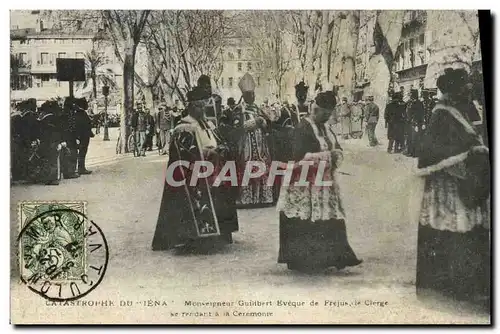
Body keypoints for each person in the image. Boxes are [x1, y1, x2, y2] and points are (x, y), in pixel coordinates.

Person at [415, 68, 490, 308]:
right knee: (454, 231)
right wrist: (458, 167)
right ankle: (454, 284)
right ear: (453, 90)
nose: (467, 89)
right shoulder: (441, 114)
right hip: (447, 186)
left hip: (465, 182)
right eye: (463, 86)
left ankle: (470, 282)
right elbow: (431, 152)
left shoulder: (461, 111)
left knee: (469, 230)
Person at [277, 90, 363, 273]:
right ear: (315, 110)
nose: (327, 117)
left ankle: (330, 257)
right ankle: (304, 260)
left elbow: (336, 148)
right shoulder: (303, 128)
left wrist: (336, 155)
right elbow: (299, 157)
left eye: (329, 114)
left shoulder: (325, 128)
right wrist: (326, 156)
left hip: (323, 183)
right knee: (306, 219)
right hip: (304, 183)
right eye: (324, 113)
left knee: (327, 218)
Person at [152, 86, 239, 252]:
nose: (203, 110)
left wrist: (220, 149)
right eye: (199, 106)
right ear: (191, 107)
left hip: (214, 169)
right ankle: (195, 239)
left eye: (204, 106)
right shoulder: (183, 127)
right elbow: (185, 156)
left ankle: (218, 234)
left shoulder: (208, 123)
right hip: (194, 174)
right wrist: (209, 153)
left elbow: (216, 141)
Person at [232, 73, 274, 207]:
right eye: (249, 95)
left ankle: (263, 198)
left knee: (263, 167)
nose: (253, 97)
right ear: (244, 96)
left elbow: (267, 123)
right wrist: (255, 122)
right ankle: (248, 198)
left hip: (261, 144)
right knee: (248, 168)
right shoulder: (239, 109)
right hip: (246, 144)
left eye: (253, 94)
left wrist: (263, 123)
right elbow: (238, 127)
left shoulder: (257, 108)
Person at [35, 101, 64, 185]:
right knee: (54, 161)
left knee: (47, 161)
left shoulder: (42, 120)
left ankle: (47, 178)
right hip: (54, 142)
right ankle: (54, 179)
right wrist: (60, 142)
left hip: (44, 143)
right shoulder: (55, 119)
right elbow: (58, 132)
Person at [73, 97, 94, 175]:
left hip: (82, 135)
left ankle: (81, 167)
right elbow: (85, 125)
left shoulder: (78, 113)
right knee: (82, 152)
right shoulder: (81, 113)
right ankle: (81, 168)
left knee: (82, 152)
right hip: (83, 136)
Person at [60, 97, 80, 179]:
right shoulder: (69, 114)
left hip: (67, 136)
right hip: (70, 137)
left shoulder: (64, 112)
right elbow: (71, 127)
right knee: (71, 154)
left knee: (68, 154)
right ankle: (69, 172)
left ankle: (68, 171)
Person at [405, 89, 425, 157]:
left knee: (414, 138)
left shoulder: (418, 103)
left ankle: (414, 153)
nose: (410, 95)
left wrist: (416, 123)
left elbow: (419, 114)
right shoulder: (411, 102)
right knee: (410, 137)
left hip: (415, 123)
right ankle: (410, 151)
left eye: (411, 94)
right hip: (410, 122)